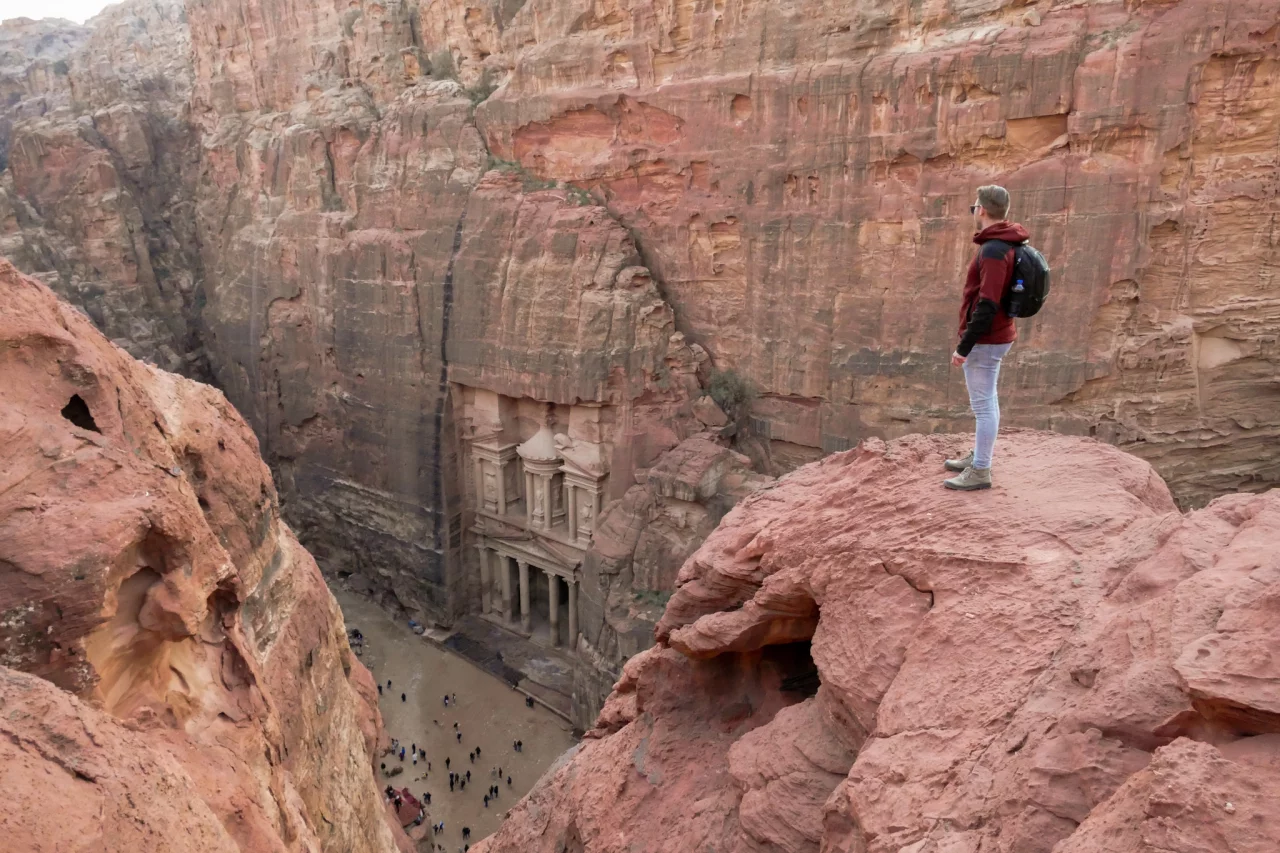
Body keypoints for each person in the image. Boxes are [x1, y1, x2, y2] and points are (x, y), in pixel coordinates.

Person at [945, 185, 1028, 491]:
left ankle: (981, 469)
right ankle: (979, 457)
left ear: (981, 210)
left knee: (983, 406)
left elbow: (988, 302)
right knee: (987, 400)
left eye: (974, 207)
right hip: (996, 334)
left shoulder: (994, 250)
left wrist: (964, 346)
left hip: (987, 339)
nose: (974, 212)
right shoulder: (1005, 241)